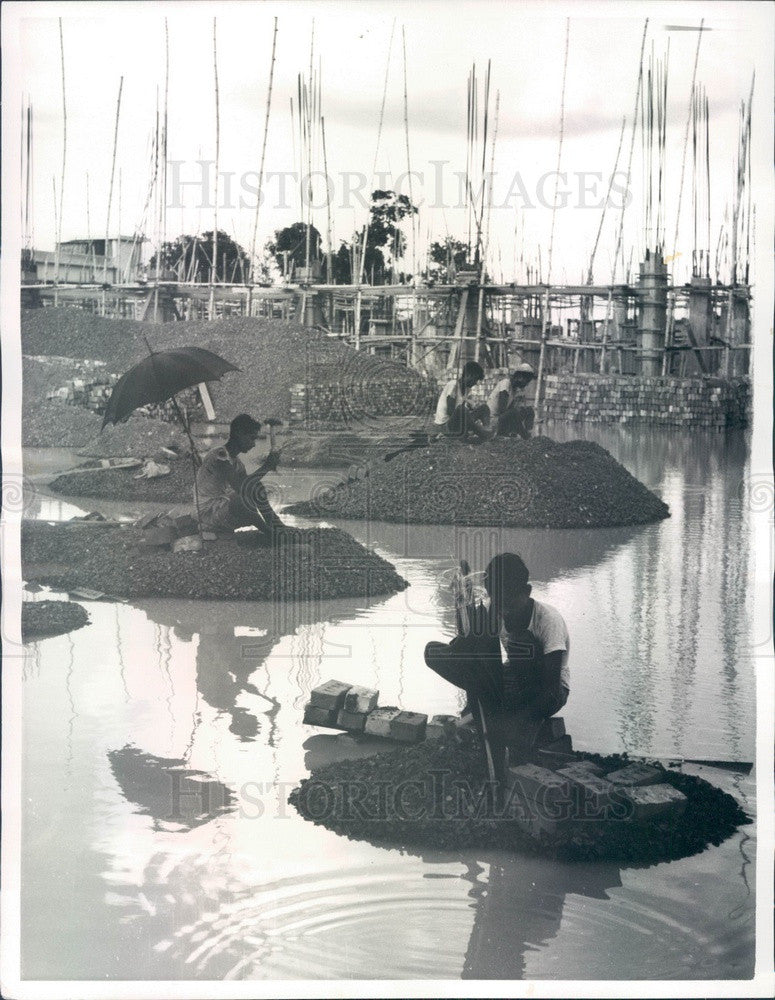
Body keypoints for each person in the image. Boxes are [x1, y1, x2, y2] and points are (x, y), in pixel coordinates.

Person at [424, 552, 569, 784]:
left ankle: (495, 713)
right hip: (511, 682)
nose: (504, 611)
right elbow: (470, 648)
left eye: (509, 603)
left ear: (528, 592)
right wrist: (463, 613)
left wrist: (515, 721)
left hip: (546, 691)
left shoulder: (547, 620)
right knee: (432, 651)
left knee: (521, 642)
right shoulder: (494, 610)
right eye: (498, 603)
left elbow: (551, 688)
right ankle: (485, 703)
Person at [194, 413, 285, 538]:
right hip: (207, 515)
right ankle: (270, 533)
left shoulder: (237, 463)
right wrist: (266, 467)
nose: (253, 444)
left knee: (256, 487)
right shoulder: (219, 455)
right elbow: (240, 487)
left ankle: (275, 525)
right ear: (239, 434)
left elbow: (250, 486)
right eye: (251, 438)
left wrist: (267, 467)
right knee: (241, 501)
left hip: (221, 510)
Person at [434, 360, 492, 441]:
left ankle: (487, 429)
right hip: (446, 425)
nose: (476, 383)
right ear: (468, 375)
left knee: (484, 408)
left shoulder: (467, 389)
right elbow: (450, 411)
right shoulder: (453, 384)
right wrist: (468, 419)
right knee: (462, 409)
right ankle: (482, 433)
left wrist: (470, 412)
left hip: (457, 423)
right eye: (475, 379)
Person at [486, 362, 536, 439]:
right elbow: (502, 410)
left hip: (501, 420)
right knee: (514, 412)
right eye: (526, 381)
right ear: (520, 377)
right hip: (492, 421)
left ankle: (527, 433)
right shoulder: (505, 384)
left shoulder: (514, 390)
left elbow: (510, 412)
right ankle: (526, 438)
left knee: (529, 410)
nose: (526, 385)